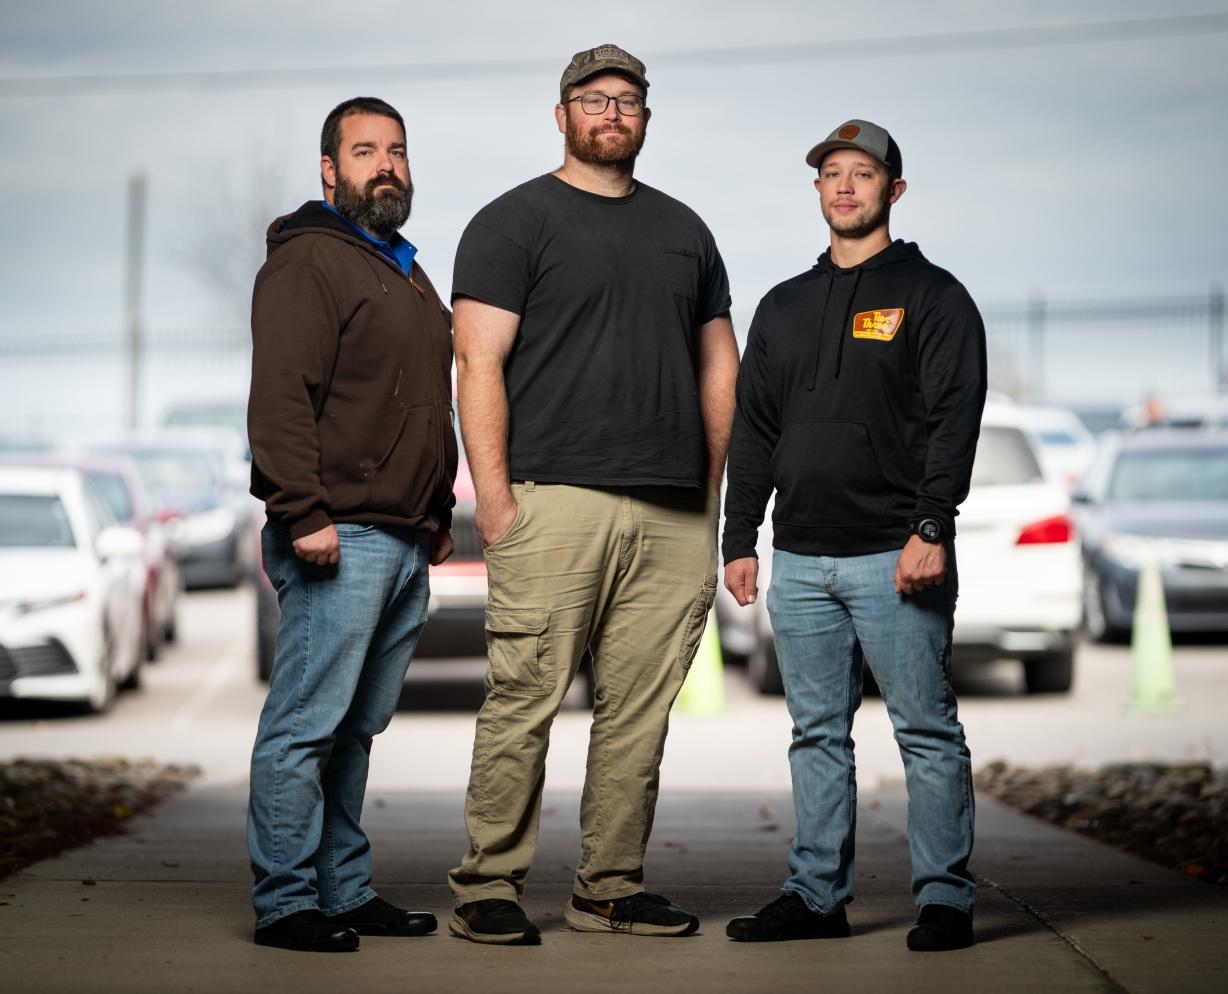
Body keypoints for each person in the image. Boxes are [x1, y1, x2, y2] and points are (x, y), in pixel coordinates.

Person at [446, 43, 738, 945]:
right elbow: (476, 361)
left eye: (630, 101)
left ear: (646, 118)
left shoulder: (686, 230)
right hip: (552, 500)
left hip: (671, 508)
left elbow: (718, 362)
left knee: (639, 712)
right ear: (563, 114)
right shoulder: (512, 222)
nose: (613, 113)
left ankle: (608, 886)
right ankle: (488, 885)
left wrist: (711, 495)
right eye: (594, 99)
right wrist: (493, 501)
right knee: (524, 696)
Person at [721, 119, 986, 952]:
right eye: (831, 173)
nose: (844, 186)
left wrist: (931, 526)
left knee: (926, 730)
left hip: (894, 553)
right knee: (816, 735)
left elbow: (954, 420)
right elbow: (755, 429)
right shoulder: (785, 306)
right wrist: (740, 537)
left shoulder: (934, 296)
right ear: (818, 190)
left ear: (892, 191)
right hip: (800, 559)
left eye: (862, 173)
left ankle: (945, 899)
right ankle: (816, 895)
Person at [246, 96, 457, 952]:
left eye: (398, 150)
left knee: (355, 732)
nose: (387, 165)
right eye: (366, 150)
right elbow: (280, 400)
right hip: (338, 532)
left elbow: (422, 405)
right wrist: (302, 512)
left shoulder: (404, 269)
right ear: (329, 170)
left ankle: (342, 889)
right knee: (304, 728)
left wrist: (436, 515)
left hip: (402, 538)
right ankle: (287, 902)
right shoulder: (309, 264)